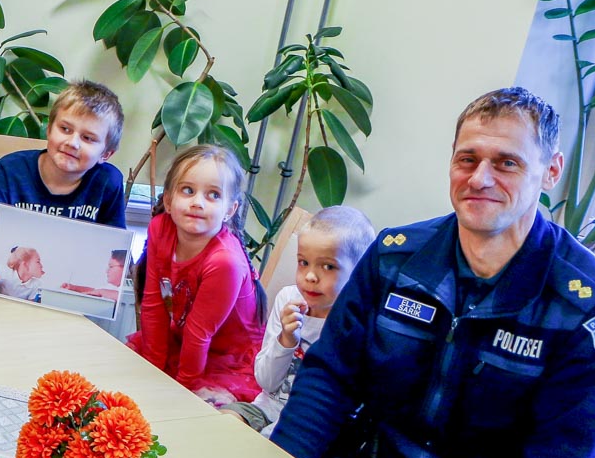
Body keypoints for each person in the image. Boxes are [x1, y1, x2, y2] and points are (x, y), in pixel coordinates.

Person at [273, 88, 595, 458]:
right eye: (467, 159)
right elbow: (328, 380)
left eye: (506, 163)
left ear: (550, 171)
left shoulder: (584, 304)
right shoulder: (396, 259)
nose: (480, 178)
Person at [125, 144, 264, 406]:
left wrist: (178, 393)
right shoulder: (160, 228)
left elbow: (200, 335)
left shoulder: (225, 262)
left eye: (213, 195)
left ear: (230, 210)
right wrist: (151, 373)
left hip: (226, 358)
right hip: (184, 341)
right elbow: (155, 304)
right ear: (168, 200)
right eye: (188, 190)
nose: (197, 203)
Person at [224, 206, 373, 436]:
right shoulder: (288, 299)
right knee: (223, 424)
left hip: (312, 427)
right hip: (266, 409)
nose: (310, 276)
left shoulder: (356, 321)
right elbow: (266, 381)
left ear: (359, 272)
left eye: (328, 266)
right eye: (303, 262)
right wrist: (285, 340)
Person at [0, 82, 127, 293]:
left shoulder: (109, 182)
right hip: (7, 287)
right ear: (48, 129)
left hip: (67, 296)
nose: (73, 143)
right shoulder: (11, 169)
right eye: (65, 129)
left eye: (88, 138)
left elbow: (115, 247)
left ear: (105, 154)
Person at [61, 248, 128, 300]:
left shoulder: (133, 289)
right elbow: (94, 291)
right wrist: (73, 288)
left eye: (111, 266)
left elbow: (127, 298)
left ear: (125, 268)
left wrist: (101, 292)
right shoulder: (113, 287)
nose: (107, 271)